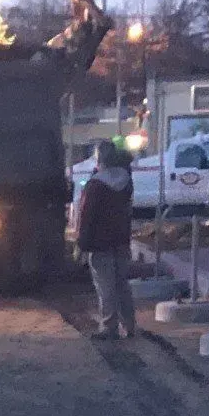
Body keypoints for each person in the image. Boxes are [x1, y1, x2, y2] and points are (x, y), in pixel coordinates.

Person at [72, 138, 136, 340]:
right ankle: (130, 325)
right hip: (121, 241)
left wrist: (81, 244)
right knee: (122, 285)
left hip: (100, 245)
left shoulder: (95, 186)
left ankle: (109, 327)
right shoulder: (126, 181)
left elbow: (86, 217)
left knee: (105, 287)